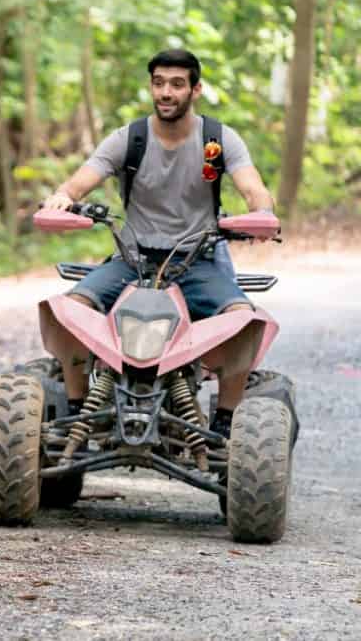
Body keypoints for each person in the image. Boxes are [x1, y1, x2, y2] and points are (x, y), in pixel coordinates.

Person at [41, 49, 275, 437]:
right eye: (159, 83)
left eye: (177, 84)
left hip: (196, 261)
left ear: (195, 89)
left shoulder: (217, 139)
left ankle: (226, 422)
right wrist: (62, 198)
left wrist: (261, 213)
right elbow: (80, 181)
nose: (166, 92)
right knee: (67, 310)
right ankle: (78, 409)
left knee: (244, 320)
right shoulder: (129, 138)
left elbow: (253, 188)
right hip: (131, 259)